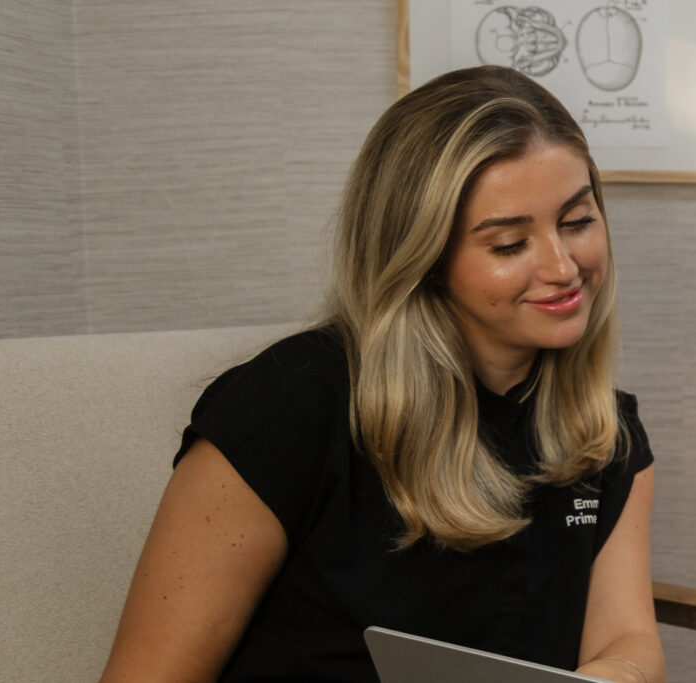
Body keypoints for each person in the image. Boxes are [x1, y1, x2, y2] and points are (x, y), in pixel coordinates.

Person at [98, 65, 662, 683]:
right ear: (421, 258)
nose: (564, 266)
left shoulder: (607, 433)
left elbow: (629, 641)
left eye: (577, 222)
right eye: (508, 244)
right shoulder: (289, 408)